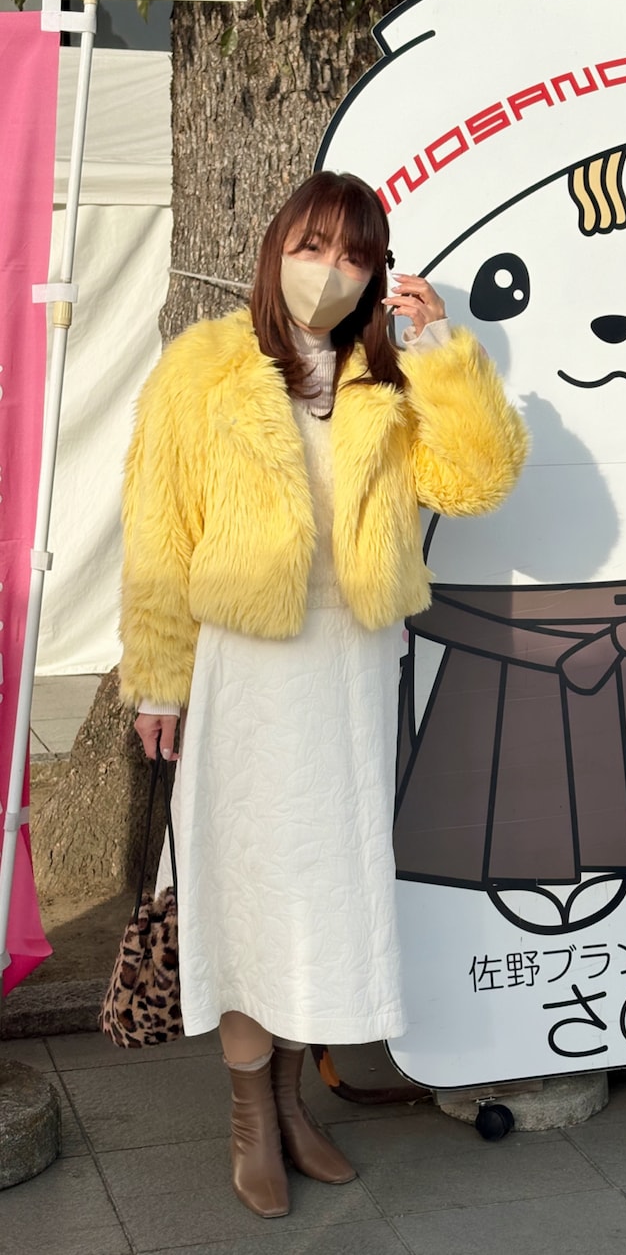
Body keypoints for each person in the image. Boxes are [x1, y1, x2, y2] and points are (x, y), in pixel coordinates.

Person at [118, 170, 528, 1219]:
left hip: (351, 668)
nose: (330, 271)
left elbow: (477, 482)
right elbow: (158, 534)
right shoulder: (203, 367)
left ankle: (294, 1105)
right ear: (275, 249)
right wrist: (157, 679)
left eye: (354, 254)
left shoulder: (383, 377)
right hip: (246, 672)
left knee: (328, 896)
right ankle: (249, 1119)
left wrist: (442, 351)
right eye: (312, 246)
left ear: (376, 272)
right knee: (248, 892)